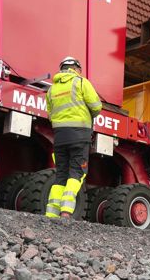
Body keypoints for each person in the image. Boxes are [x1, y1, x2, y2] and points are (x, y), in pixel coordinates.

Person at [44, 56, 102, 218]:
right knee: (77, 173)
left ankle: (51, 212)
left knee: (61, 175)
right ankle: (66, 212)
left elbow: (50, 114)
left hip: (59, 137)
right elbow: (97, 107)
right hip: (79, 136)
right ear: (75, 68)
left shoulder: (51, 89)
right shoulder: (81, 82)